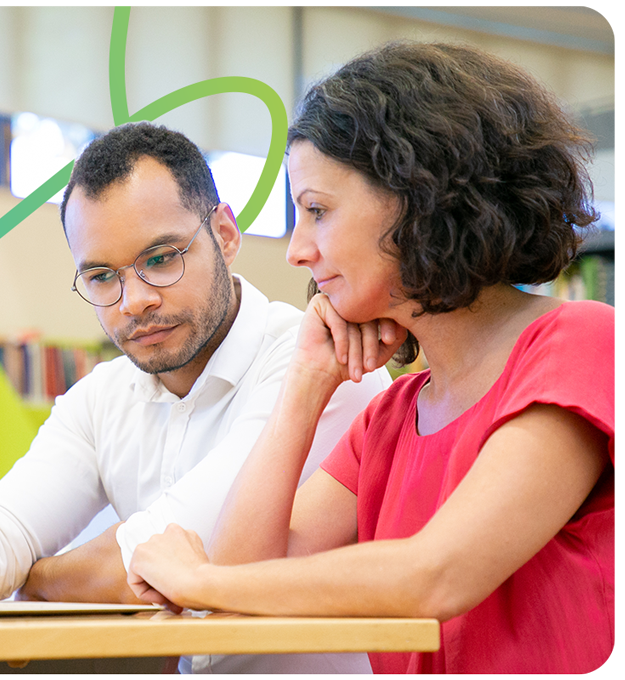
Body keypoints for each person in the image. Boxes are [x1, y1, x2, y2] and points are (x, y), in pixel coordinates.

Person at [127, 42, 615, 674]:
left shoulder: (580, 343)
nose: (297, 251)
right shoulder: (390, 418)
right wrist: (304, 387)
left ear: (420, 194)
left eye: (317, 211)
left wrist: (196, 582)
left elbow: (436, 576)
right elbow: (248, 590)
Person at [0, 121, 391, 674]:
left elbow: (169, 560)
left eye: (160, 259)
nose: (134, 302)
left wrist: (39, 577)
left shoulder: (322, 362)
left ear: (224, 234)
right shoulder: (102, 396)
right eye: (102, 276)